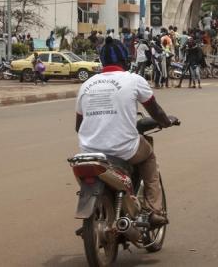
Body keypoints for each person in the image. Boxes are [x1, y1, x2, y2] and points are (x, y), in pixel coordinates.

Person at [74, 38, 178, 227]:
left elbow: (78, 126)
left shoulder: (86, 85)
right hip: (124, 149)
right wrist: (166, 121)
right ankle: (154, 210)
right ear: (125, 60)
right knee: (149, 158)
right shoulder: (134, 80)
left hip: (89, 151)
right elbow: (155, 110)